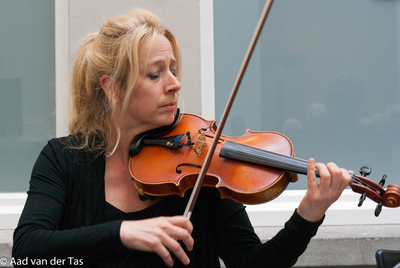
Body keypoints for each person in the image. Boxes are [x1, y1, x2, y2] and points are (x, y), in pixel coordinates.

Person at [12, 9, 352, 268]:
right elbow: (28, 252)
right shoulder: (63, 159)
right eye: (155, 74)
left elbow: (252, 263)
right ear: (112, 87)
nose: (174, 83)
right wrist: (121, 234)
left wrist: (308, 215)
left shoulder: (202, 162)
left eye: (173, 69)